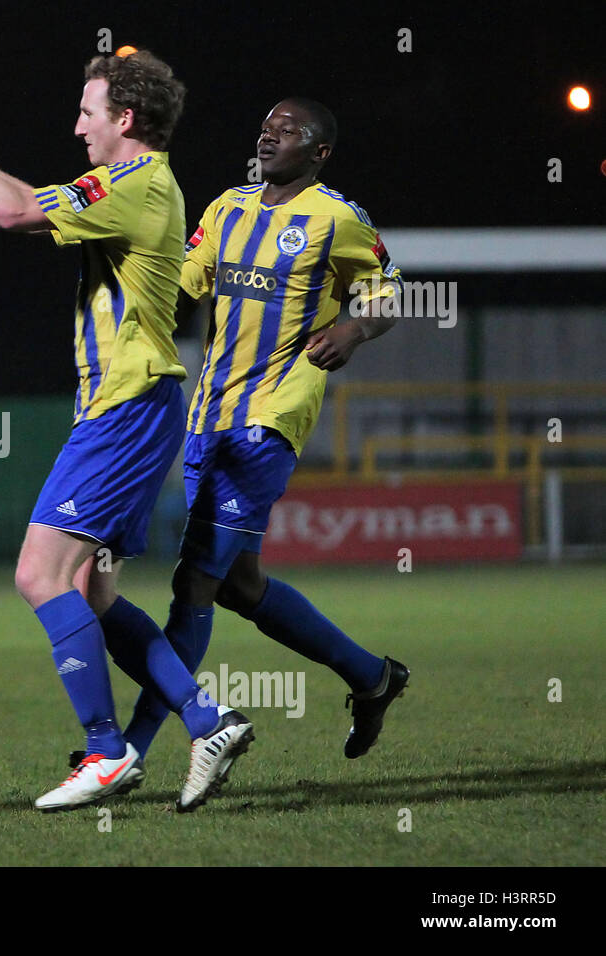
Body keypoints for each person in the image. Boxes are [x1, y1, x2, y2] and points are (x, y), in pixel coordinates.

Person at [0, 51, 253, 814]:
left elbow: (14, 212)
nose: (77, 126)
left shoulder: (136, 184)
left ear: (125, 119)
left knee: (39, 575)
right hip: (139, 407)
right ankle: (207, 719)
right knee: (88, 594)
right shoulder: (141, 185)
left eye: (88, 112)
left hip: (124, 409)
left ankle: (105, 749)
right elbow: (26, 195)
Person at [120, 98, 410, 767]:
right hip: (209, 417)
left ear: (320, 152)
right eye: (266, 125)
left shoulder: (336, 217)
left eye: (290, 129)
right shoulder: (227, 208)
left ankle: (130, 752)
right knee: (237, 584)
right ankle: (372, 678)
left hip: (269, 418)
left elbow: (390, 290)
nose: (270, 133)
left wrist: (354, 327)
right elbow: (183, 283)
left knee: (193, 581)